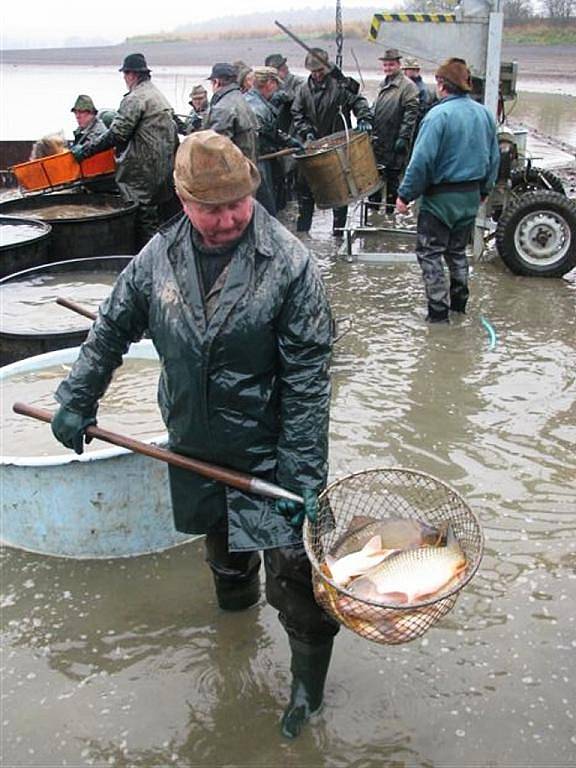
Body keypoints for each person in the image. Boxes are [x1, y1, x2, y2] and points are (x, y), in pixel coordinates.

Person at [49, 130, 338, 740]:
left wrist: (305, 479)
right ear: (183, 199)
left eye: (238, 202)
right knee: (225, 556)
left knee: (300, 583)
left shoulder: (289, 263)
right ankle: (234, 634)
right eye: (212, 207)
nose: (230, 217)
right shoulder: (156, 258)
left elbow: (310, 384)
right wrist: (77, 399)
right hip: (197, 445)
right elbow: (109, 331)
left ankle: (307, 692)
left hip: (274, 454)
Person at [395, 58, 500, 322]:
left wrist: (405, 195)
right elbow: (494, 157)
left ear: (442, 84)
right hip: (469, 198)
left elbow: (421, 161)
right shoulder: (484, 114)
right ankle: (459, 306)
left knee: (430, 255)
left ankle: (438, 314)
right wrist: (485, 189)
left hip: (440, 200)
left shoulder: (437, 115)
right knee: (457, 253)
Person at [71, 53, 179, 249]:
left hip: (142, 175)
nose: (124, 79)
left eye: (125, 75)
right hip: (163, 172)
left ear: (131, 75)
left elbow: (116, 134)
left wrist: (85, 150)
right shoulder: (158, 95)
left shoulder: (136, 98)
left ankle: (146, 265)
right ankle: (160, 257)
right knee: (155, 220)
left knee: (143, 223)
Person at [291, 47, 372, 235]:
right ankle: (303, 235)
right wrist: (307, 132)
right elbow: (297, 113)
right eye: (314, 72)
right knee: (305, 193)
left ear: (327, 69)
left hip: (338, 147)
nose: (317, 75)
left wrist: (364, 118)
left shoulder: (340, 85)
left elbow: (359, 101)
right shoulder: (303, 90)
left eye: (321, 71)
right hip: (313, 147)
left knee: (340, 194)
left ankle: (338, 235)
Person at [244, 66, 303, 216]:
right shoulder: (259, 108)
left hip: (253, 161)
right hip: (259, 162)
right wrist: (290, 141)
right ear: (270, 83)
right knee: (266, 211)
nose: (277, 90)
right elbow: (269, 133)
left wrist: (289, 141)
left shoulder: (250, 100)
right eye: (276, 85)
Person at [370, 48, 420, 213]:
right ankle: (373, 215)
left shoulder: (408, 86)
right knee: (374, 181)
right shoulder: (382, 84)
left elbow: (411, 114)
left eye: (391, 65)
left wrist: (403, 138)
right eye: (385, 65)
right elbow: (375, 108)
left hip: (395, 142)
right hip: (378, 141)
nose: (388, 68)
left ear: (399, 65)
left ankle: (390, 214)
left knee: (393, 181)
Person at [265, 53, 304, 210]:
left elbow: (301, 95)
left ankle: (292, 205)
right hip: (277, 138)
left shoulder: (297, 81)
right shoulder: (271, 86)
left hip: (293, 135)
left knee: (292, 173)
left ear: (282, 70)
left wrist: (287, 96)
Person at [203, 62, 258, 162]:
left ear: (216, 82)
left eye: (211, 83)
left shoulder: (222, 108)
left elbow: (216, 149)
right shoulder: (242, 100)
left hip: (231, 172)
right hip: (248, 166)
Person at [401, 58, 437, 127]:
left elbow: (422, 110)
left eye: (407, 70)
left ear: (415, 70)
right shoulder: (407, 86)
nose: (404, 73)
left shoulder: (422, 89)